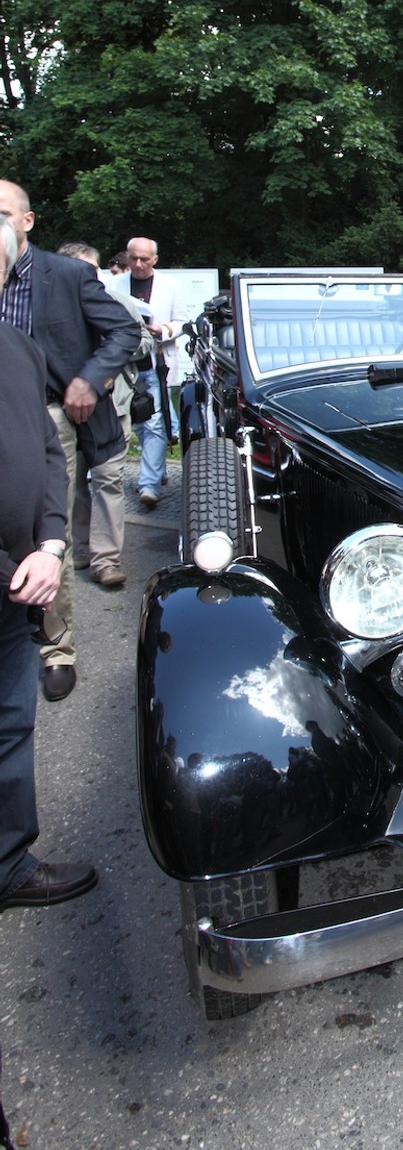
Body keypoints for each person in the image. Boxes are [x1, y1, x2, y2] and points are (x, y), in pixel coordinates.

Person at [0, 181, 141, 700]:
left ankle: (55, 646)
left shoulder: (67, 275)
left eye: (1, 214)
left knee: (43, 533)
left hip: (47, 419)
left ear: (27, 221)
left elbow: (124, 334)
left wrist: (89, 378)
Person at [0, 215, 98, 910]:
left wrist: (53, 546)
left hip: (23, 569)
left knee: (10, 722)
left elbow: (45, 452)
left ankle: (8, 860)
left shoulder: (19, 350)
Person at [60, 243, 153, 589]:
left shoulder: (117, 303)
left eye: (95, 269)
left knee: (107, 480)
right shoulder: (47, 307)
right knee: (70, 481)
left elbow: (144, 343)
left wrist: (112, 351)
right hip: (64, 410)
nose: (93, 276)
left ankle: (105, 560)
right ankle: (79, 548)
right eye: (85, 270)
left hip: (113, 406)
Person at [116, 236, 188, 510]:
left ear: (154, 260)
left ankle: (149, 484)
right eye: (133, 258)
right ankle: (156, 472)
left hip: (156, 363)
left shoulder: (170, 286)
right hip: (125, 367)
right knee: (137, 423)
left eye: (144, 259)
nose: (137, 264)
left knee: (156, 424)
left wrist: (165, 330)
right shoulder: (115, 284)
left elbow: (182, 321)